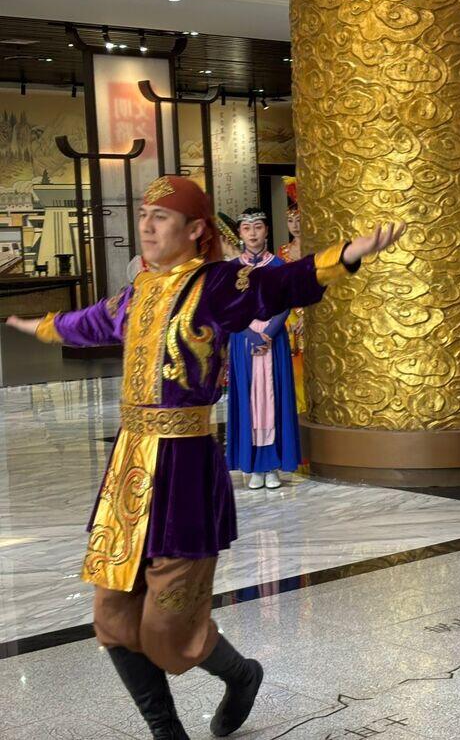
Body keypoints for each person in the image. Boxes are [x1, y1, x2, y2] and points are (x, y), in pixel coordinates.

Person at [6, 175, 404, 739]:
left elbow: (278, 284)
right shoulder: (140, 290)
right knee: (112, 614)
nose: (147, 226)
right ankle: (166, 731)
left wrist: (344, 256)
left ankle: (241, 674)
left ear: (195, 230)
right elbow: (94, 320)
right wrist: (42, 325)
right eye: (143, 215)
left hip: (185, 470)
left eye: (161, 217)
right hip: (129, 468)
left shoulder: (217, 284)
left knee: (170, 630)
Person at [226, 207, 298, 489]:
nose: (253, 233)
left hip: (273, 339)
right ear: (240, 233)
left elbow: (285, 303)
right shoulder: (232, 269)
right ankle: (253, 466)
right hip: (244, 340)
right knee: (249, 399)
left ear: (266, 230)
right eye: (247, 228)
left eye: (258, 227)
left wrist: (268, 333)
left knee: (275, 397)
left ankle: (273, 467)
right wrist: (251, 335)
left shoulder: (279, 266)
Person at [278, 177, 307, 414]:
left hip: (315, 313)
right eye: (290, 221)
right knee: (295, 371)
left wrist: (309, 315)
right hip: (291, 318)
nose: (295, 226)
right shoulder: (282, 253)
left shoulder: (316, 250)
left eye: (299, 220)